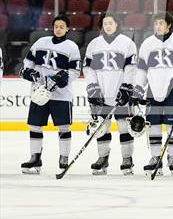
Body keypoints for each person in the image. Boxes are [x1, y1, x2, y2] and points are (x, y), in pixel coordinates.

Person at [131, 12, 173, 176]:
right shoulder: (147, 44)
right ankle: (155, 157)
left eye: (161, 23)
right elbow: (142, 69)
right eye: (156, 23)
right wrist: (138, 88)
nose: (158, 26)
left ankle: (172, 157)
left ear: (169, 25)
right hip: (153, 88)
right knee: (154, 124)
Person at [20, 15, 81, 174]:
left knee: (64, 127)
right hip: (39, 92)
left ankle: (64, 158)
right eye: (56, 26)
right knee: (34, 126)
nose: (58, 29)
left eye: (62, 26)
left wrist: (63, 78)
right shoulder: (41, 42)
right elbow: (28, 61)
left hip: (61, 95)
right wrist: (29, 72)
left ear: (68, 29)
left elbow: (75, 71)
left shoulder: (71, 47)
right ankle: (35, 158)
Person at [83, 13, 137, 175]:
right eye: (105, 23)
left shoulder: (127, 43)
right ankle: (103, 158)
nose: (107, 26)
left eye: (110, 23)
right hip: (101, 92)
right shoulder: (94, 44)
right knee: (102, 127)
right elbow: (88, 68)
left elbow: (131, 68)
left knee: (124, 127)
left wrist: (126, 87)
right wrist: (93, 87)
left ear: (117, 24)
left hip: (121, 93)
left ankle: (127, 159)